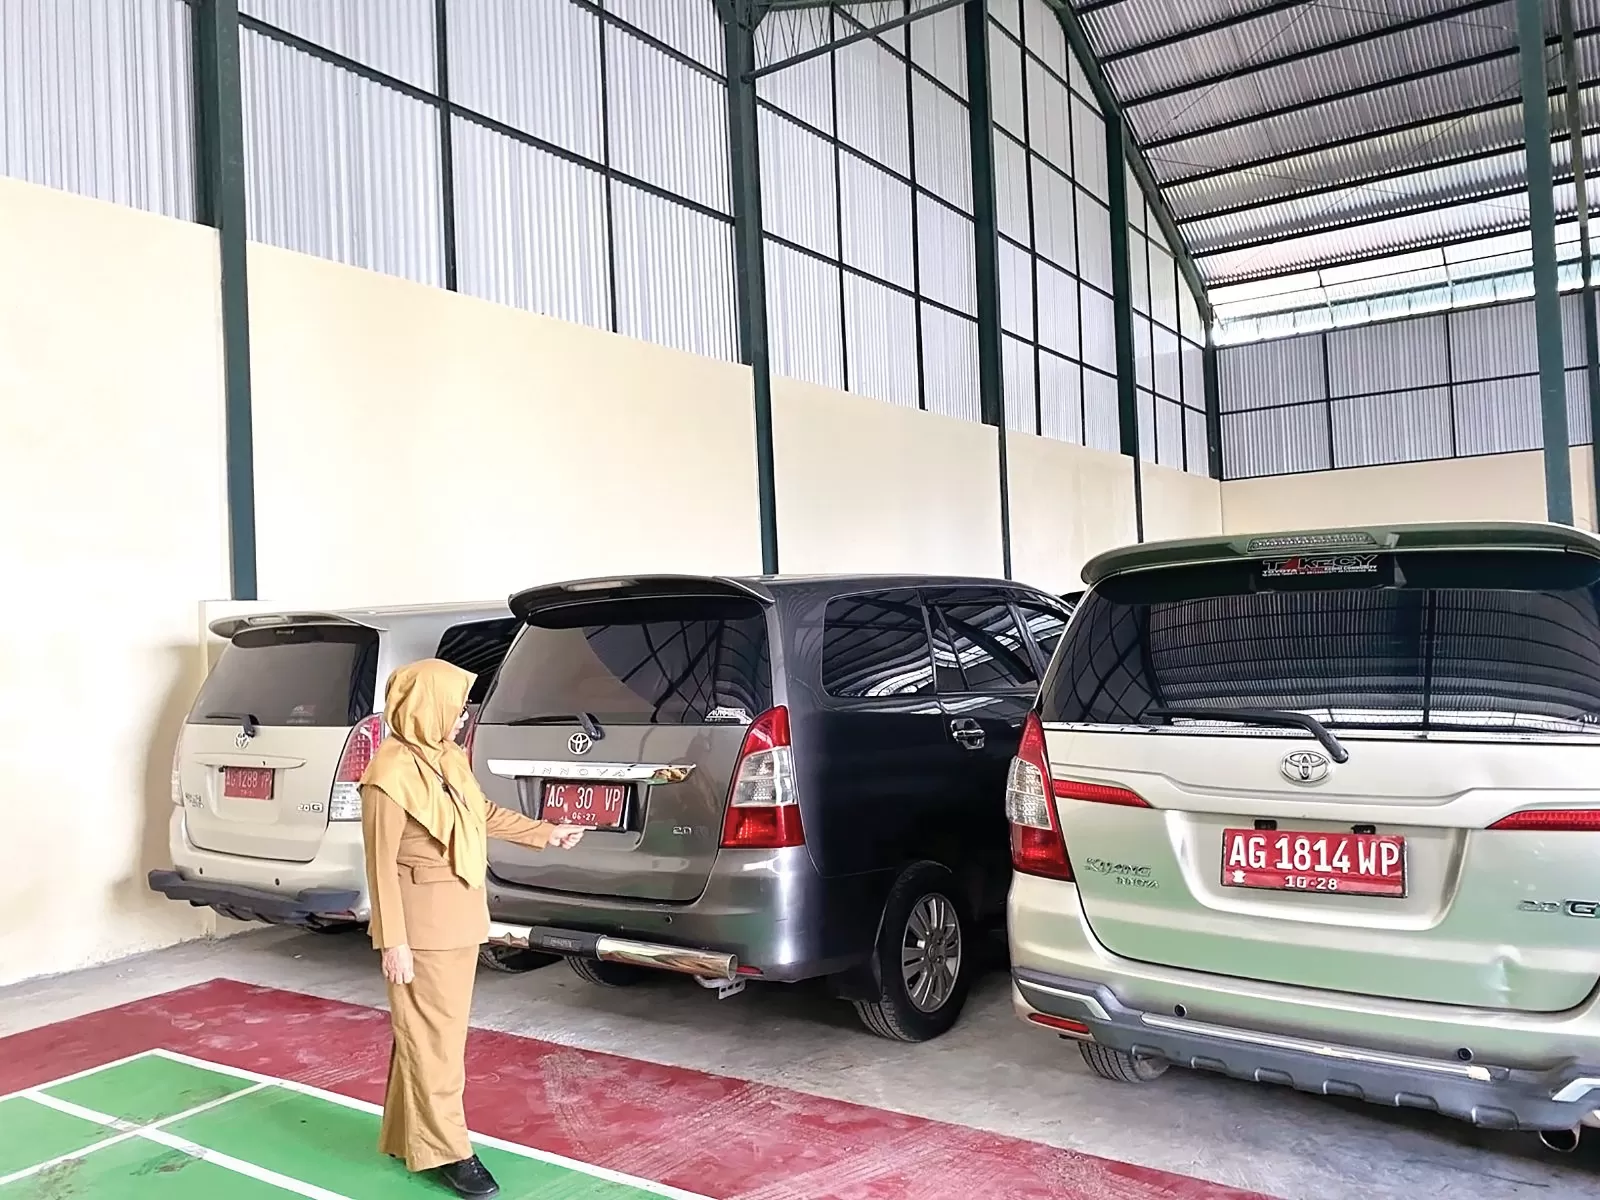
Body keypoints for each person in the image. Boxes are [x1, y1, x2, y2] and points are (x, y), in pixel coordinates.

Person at [360, 658, 586, 1198]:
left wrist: (544, 832)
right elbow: (379, 866)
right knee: (436, 1043)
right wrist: (393, 942)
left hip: (459, 918)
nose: (463, 717)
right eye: (457, 708)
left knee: (428, 1036)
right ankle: (451, 1151)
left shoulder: (445, 757)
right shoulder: (387, 777)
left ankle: (409, 1137)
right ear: (429, 707)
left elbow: (477, 811)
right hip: (421, 931)